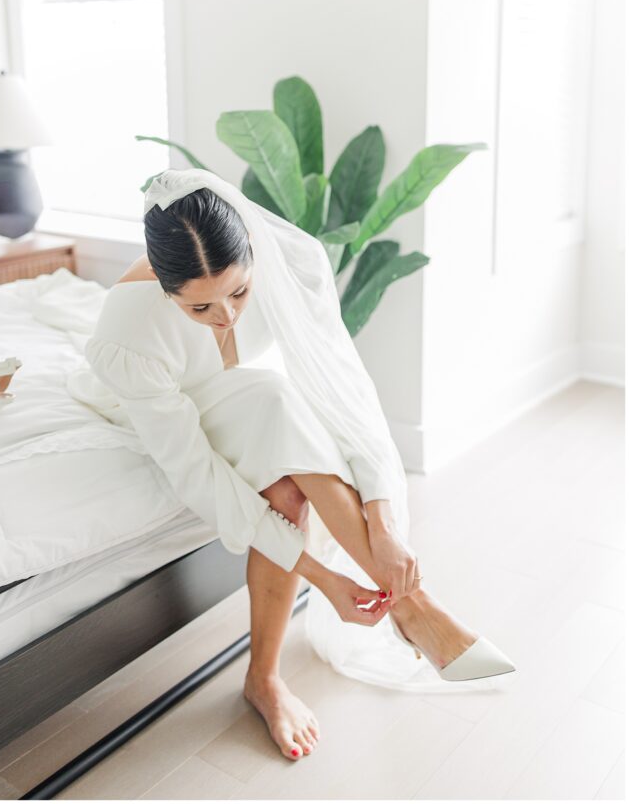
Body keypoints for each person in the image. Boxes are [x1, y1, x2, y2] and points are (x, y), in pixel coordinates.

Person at [73, 167, 516, 762]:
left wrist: (384, 527)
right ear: (161, 284)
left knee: (283, 429)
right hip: (160, 407)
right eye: (200, 307)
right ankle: (409, 609)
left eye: (238, 293)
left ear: (253, 255)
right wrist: (327, 580)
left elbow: (348, 400)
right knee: (275, 411)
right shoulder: (129, 336)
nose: (227, 318)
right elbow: (197, 474)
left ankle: (291, 664)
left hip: (239, 397)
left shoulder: (288, 266)